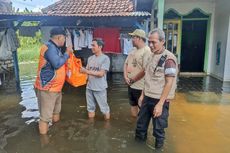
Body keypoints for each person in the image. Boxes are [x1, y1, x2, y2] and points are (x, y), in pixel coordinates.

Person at [135, 28, 178, 149]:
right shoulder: (151, 56)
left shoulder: (169, 59)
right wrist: (142, 96)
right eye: (149, 41)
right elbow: (147, 77)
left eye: (154, 42)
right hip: (147, 98)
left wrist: (160, 104)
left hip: (160, 100)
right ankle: (137, 148)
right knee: (140, 127)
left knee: (158, 131)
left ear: (163, 41)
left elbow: (169, 83)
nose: (150, 44)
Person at [34, 27, 70, 135]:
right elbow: (57, 64)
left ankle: (56, 134)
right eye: (64, 38)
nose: (64, 41)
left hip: (56, 88)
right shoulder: (49, 47)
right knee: (45, 117)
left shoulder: (55, 48)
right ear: (59, 37)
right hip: (47, 89)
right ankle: (44, 143)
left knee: (56, 112)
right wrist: (67, 53)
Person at [80, 38, 110, 120]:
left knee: (104, 110)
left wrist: (86, 71)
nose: (91, 47)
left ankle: (107, 126)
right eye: (91, 45)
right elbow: (86, 72)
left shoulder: (105, 58)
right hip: (89, 88)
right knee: (90, 109)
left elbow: (101, 74)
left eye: (94, 45)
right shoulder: (90, 58)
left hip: (100, 88)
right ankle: (91, 127)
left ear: (100, 47)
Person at [123, 29, 151, 117]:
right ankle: (133, 127)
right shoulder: (133, 50)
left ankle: (140, 129)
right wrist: (125, 77)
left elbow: (145, 70)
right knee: (133, 108)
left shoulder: (146, 51)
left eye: (133, 37)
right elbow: (126, 63)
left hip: (140, 87)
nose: (132, 39)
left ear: (139, 38)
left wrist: (133, 80)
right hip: (130, 85)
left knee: (142, 111)